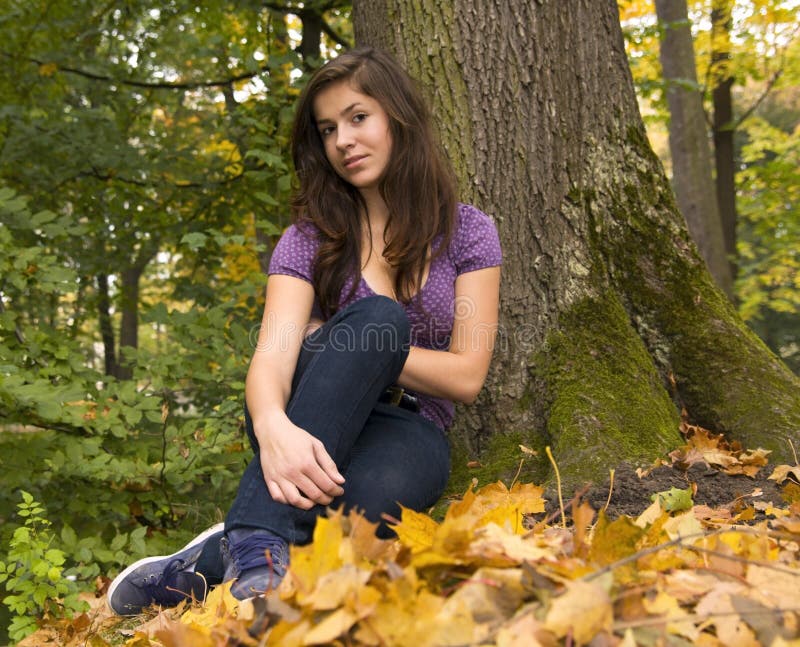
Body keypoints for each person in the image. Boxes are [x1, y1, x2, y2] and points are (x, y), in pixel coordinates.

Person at [107, 46, 502, 615]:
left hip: (409, 429)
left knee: (351, 533)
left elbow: (467, 375)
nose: (343, 140)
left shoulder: (467, 232)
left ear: (400, 118)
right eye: (327, 129)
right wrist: (272, 428)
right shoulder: (310, 238)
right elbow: (272, 359)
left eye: (358, 117)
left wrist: (354, 339)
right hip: (301, 411)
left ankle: (218, 555)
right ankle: (259, 544)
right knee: (381, 319)